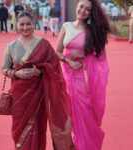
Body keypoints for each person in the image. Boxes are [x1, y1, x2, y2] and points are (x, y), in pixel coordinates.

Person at [1, 11, 73, 150]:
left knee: (38, 127)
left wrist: (39, 71)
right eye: (21, 24)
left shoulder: (43, 44)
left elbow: (54, 65)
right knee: (19, 129)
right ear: (16, 25)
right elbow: (4, 68)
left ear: (34, 25)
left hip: (39, 94)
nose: (25, 27)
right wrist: (17, 73)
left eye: (28, 24)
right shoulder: (11, 46)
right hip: (19, 96)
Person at [56, 0, 110, 149]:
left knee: (85, 113)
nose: (83, 11)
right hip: (65, 77)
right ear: (76, 7)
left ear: (91, 13)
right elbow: (57, 52)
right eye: (81, 7)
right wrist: (68, 60)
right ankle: (74, 143)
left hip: (82, 80)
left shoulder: (92, 32)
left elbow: (100, 59)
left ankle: (87, 145)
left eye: (88, 9)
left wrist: (84, 57)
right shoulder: (66, 26)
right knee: (69, 114)